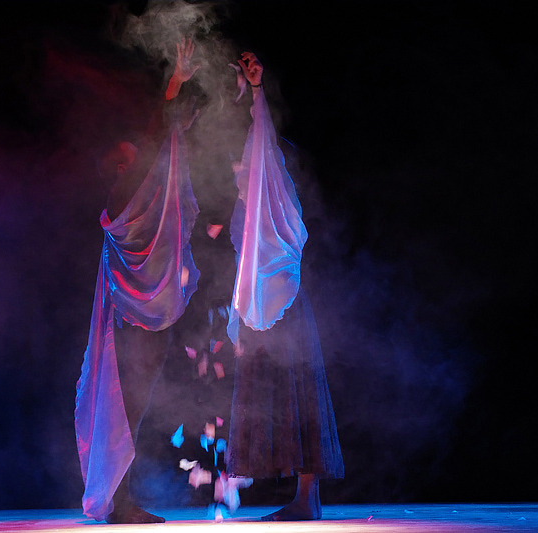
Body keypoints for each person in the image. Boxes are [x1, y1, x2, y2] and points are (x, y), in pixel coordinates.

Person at [74, 39, 201, 524]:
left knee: (133, 408)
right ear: (124, 167)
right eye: (135, 155)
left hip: (143, 317)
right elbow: (154, 143)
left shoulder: (134, 196)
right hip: (133, 322)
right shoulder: (124, 193)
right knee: (124, 408)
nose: (146, 159)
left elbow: (160, 153)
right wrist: (173, 86)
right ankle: (119, 501)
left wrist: (180, 126)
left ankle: (120, 498)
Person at [225, 52, 344, 521]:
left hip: (284, 306)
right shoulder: (246, 207)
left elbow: (264, 145)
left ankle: (306, 498)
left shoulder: (275, 199)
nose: (239, 166)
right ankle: (303, 499)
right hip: (259, 308)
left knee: (300, 394)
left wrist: (256, 91)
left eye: (249, 161)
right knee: (281, 397)